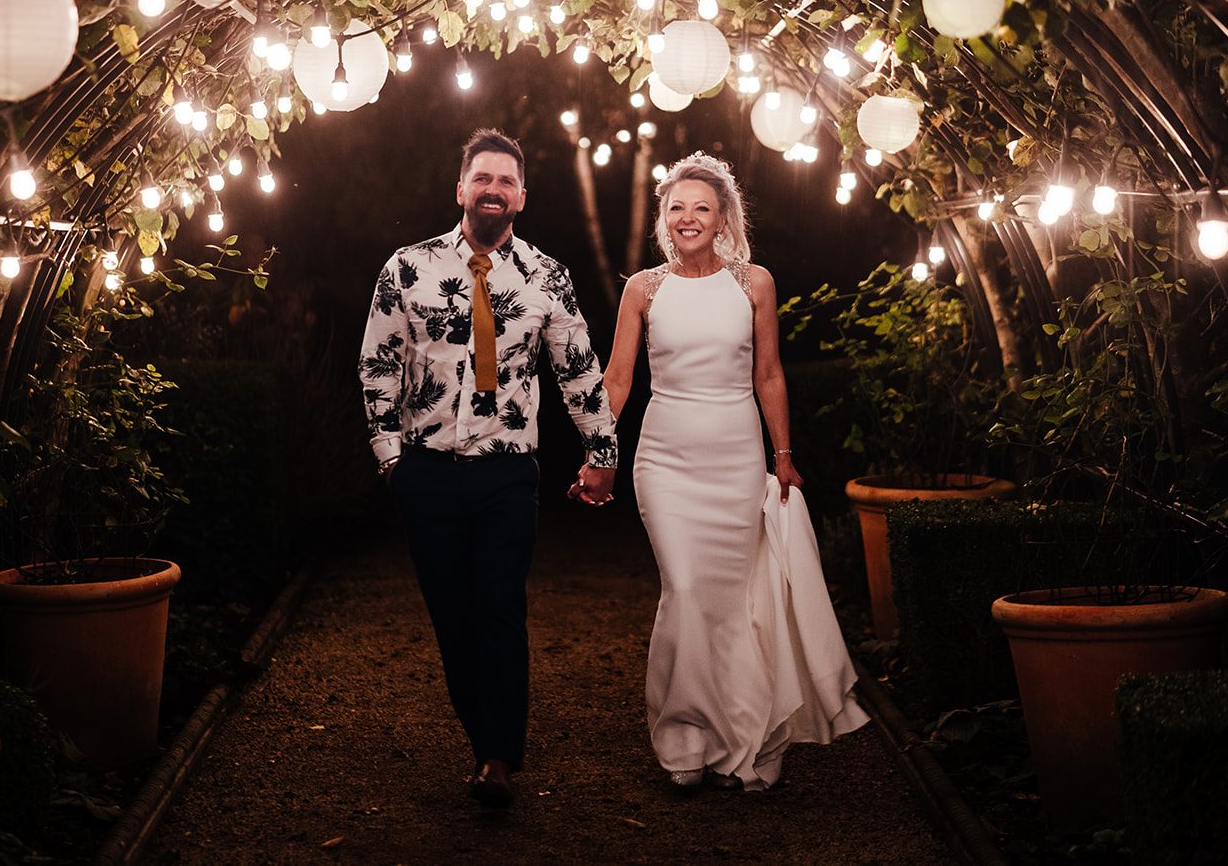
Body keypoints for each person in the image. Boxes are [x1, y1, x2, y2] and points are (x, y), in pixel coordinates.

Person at [587, 152, 868, 791]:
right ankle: (685, 734)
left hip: (738, 459)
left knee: (735, 601)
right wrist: (599, 451)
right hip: (665, 461)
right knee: (685, 591)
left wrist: (784, 458)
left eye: (701, 208)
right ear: (665, 219)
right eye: (677, 208)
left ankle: (743, 733)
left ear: (722, 220)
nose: (688, 218)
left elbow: (768, 373)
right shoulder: (643, 289)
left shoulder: (754, 284)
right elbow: (619, 377)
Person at [358, 128, 618, 809]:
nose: (493, 190)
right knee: (452, 616)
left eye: (506, 181)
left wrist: (602, 450)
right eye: (483, 178)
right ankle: (486, 737)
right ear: (462, 188)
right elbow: (377, 363)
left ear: (522, 196)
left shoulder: (545, 276)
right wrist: (391, 457)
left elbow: (579, 369)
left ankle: (497, 758)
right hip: (427, 471)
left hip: (508, 472)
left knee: (499, 606)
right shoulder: (407, 267)